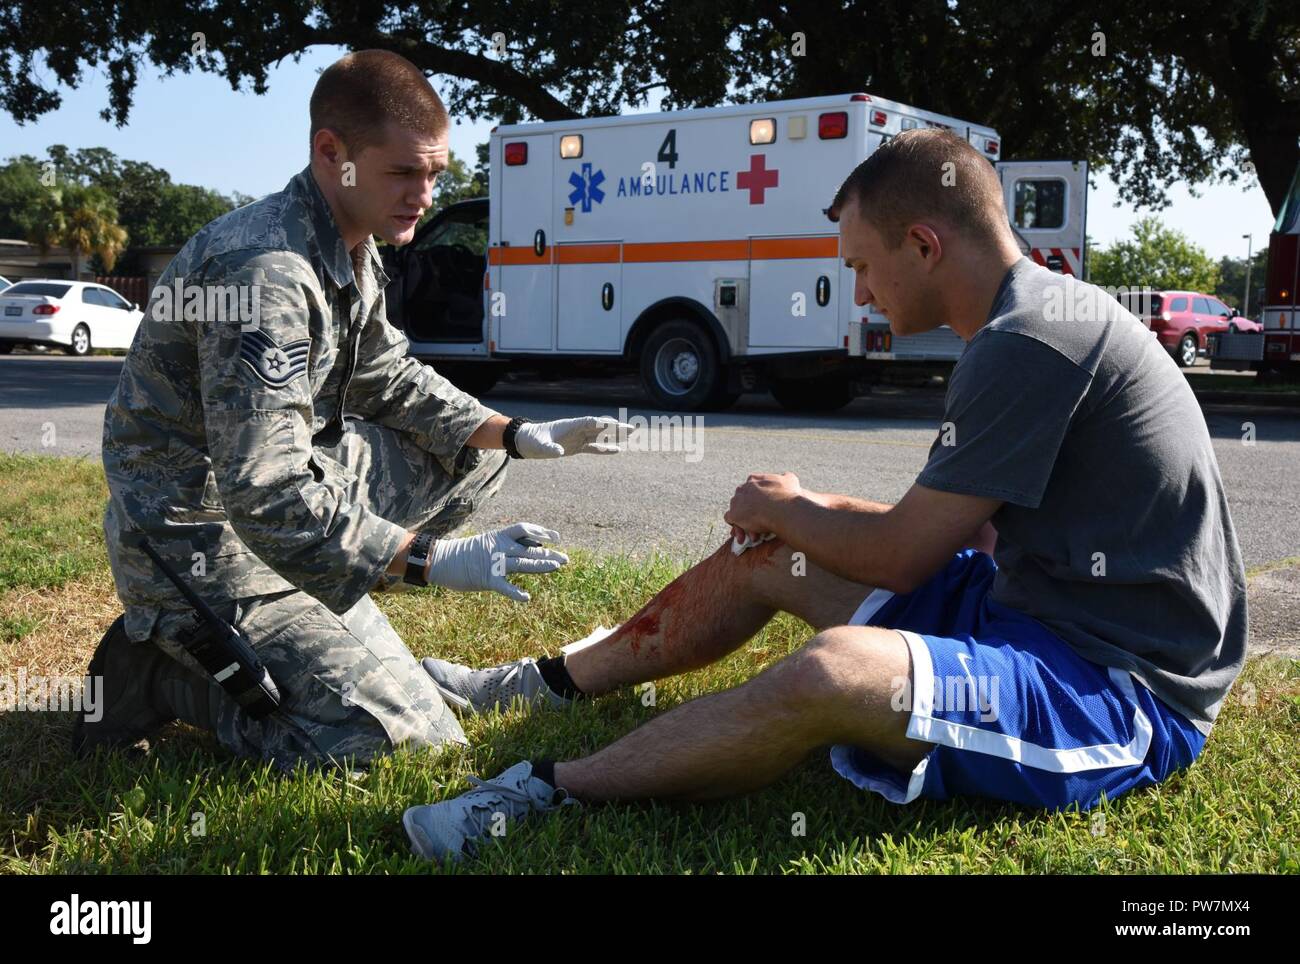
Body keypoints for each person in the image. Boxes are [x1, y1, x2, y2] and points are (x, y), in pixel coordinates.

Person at [405, 128, 1248, 861]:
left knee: (833, 673)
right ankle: (541, 682)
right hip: (1024, 616)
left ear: (923, 244)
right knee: (772, 553)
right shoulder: (1023, 320)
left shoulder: (1029, 340)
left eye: (864, 267)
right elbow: (956, 537)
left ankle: (549, 790)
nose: (862, 294)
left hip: (1119, 688)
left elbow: (906, 557)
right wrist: (799, 514)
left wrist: (786, 505)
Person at [78, 49, 628, 771]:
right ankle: (155, 668)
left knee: (470, 455)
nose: (424, 194)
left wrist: (518, 434)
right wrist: (432, 560)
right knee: (394, 746)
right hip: (201, 541)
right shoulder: (264, 273)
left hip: (282, 502)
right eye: (403, 172)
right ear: (330, 153)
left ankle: (334, 617)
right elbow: (265, 490)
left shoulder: (352, 241)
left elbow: (386, 375)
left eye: (435, 174)